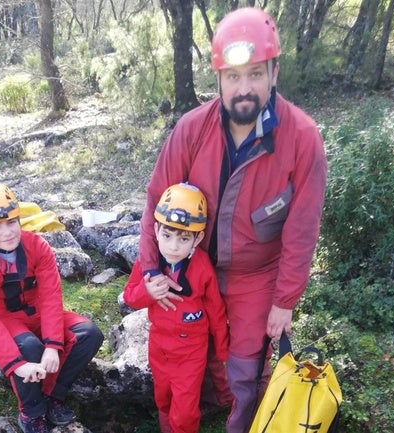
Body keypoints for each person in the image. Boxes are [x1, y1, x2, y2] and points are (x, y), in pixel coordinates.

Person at [137, 7, 328, 433]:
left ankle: (239, 423)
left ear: (274, 73)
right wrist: (151, 270)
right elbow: (155, 202)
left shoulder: (302, 139)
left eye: (256, 74)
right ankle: (194, 409)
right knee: (190, 349)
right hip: (192, 264)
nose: (245, 88)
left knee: (244, 366)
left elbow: (301, 231)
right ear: (219, 78)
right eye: (234, 76)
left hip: (256, 273)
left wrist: (284, 301)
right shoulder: (190, 130)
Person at [0, 182, 104, 433]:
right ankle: (32, 411)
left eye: (12, 222)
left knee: (89, 334)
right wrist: (16, 364)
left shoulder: (38, 246)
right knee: (29, 347)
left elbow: (50, 297)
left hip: (38, 314)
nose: (7, 232)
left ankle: (52, 396)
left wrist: (53, 345)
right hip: (6, 320)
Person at [123, 183, 229, 433]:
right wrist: (146, 292)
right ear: (156, 230)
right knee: (163, 398)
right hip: (158, 345)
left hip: (191, 351)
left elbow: (216, 310)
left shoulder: (202, 266)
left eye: (183, 239)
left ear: (198, 238)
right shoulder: (148, 262)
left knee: (184, 408)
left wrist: (223, 352)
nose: (173, 247)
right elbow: (129, 297)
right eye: (167, 236)